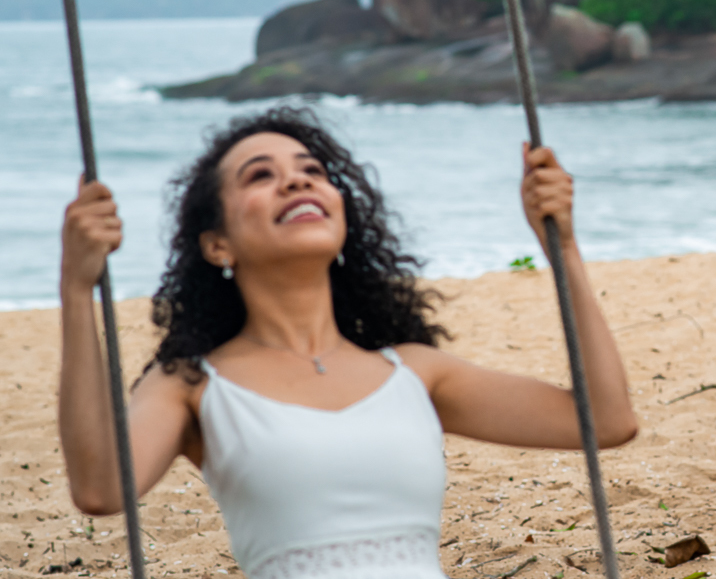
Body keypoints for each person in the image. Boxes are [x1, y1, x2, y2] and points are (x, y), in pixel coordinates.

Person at [58, 106, 637, 579]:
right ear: (217, 245)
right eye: (260, 175)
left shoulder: (415, 373)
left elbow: (606, 421)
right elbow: (100, 487)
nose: (296, 180)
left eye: (311, 170)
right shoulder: (193, 385)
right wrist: (77, 289)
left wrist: (563, 248)